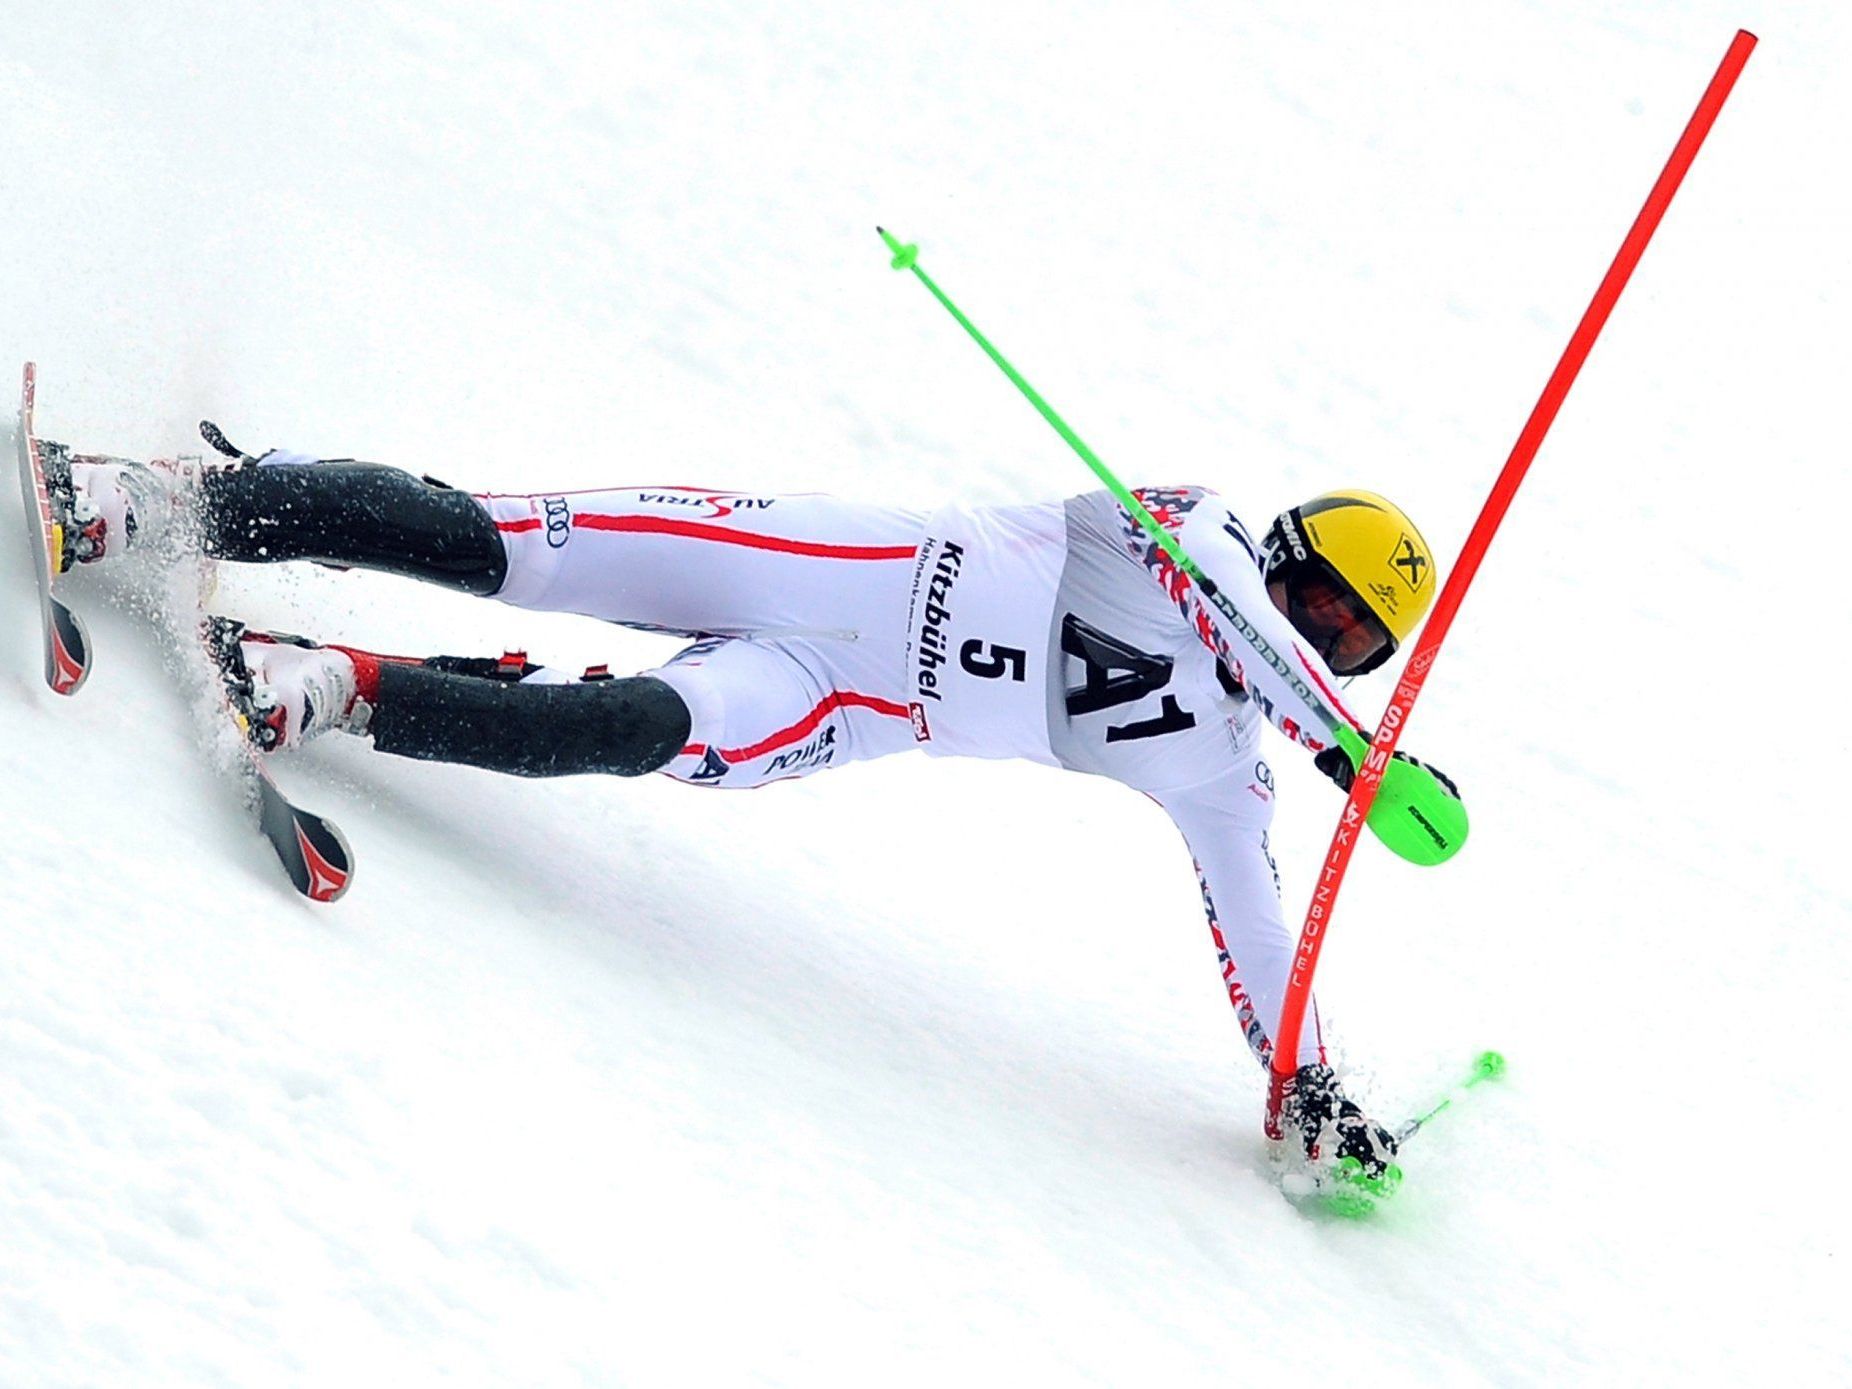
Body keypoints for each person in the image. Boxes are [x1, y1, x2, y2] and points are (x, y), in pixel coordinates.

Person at [48, 434, 1462, 1181]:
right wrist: (1350, 746)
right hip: (812, 567)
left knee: (619, 729)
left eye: (1350, 636)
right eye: (1317, 591)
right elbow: (1235, 617)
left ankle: (332, 684)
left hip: (840, 707)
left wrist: (1308, 1086)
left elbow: (1263, 929)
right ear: (1279, 551)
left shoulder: (1229, 766)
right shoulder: (1192, 532)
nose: (1319, 628)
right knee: (489, 541)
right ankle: (151, 499)